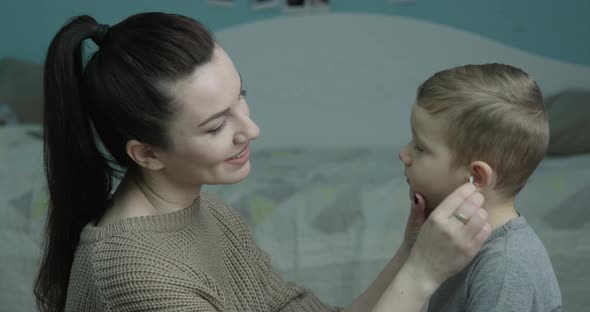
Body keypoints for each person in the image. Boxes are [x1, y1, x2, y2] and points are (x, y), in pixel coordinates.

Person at [35, 12, 490, 312]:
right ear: (147, 153)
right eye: (215, 127)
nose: (250, 130)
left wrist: (411, 251)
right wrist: (424, 274)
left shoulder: (204, 210)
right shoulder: (133, 277)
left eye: (242, 98)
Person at [399, 63, 562, 311]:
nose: (403, 154)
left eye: (420, 148)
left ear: (476, 177)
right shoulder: (457, 243)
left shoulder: (504, 268)